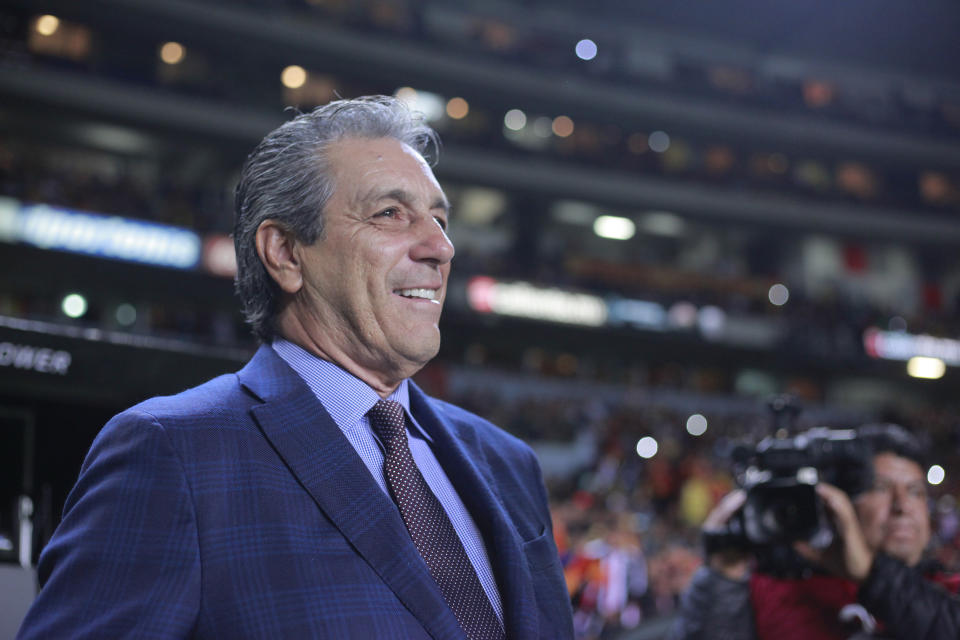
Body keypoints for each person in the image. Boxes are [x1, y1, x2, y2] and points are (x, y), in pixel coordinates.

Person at [17, 96, 574, 640]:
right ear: (285, 252)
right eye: (390, 213)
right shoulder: (173, 454)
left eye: (439, 218)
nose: (442, 246)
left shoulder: (508, 464)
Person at [671, 423, 960, 640]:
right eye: (880, 488)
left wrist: (872, 573)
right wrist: (721, 580)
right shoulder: (774, 592)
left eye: (916, 492)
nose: (902, 507)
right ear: (837, 502)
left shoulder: (948, 593)